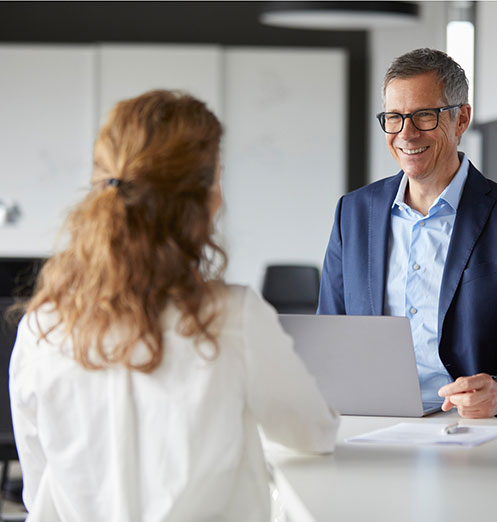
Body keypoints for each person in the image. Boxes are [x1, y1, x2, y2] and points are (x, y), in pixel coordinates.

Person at [9, 89, 339, 522]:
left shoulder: (41, 326)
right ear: (205, 200)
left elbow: (37, 485)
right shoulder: (234, 317)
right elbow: (314, 432)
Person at [318, 48, 497, 435]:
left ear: (461, 118)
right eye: (394, 118)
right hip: (369, 426)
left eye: (423, 116)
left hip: (475, 429)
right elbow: (329, 335)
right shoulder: (353, 212)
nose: (406, 134)